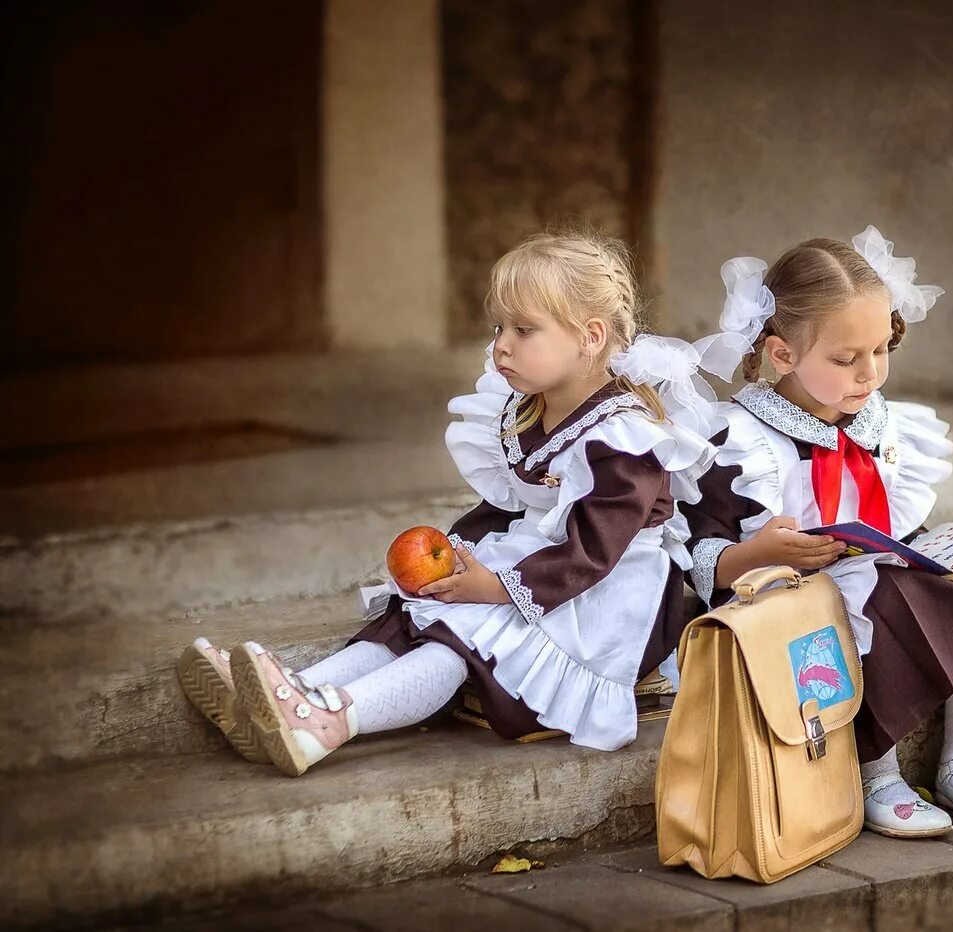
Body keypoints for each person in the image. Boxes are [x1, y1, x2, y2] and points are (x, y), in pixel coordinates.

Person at [177, 229, 716, 776]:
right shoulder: (528, 408)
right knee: (413, 615)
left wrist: (502, 586)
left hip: (605, 596)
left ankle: (334, 721)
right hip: (542, 562)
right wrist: (458, 553)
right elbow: (508, 506)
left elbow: (595, 551)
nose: (502, 344)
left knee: (460, 644)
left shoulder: (624, 436)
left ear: (590, 337)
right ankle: (300, 692)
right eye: (500, 326)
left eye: (524, 330)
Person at [682, 226, 953, 837]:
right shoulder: (743, 443)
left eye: (881, 351)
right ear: (782, 355)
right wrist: (759, 551)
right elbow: (698, 553)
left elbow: (899, 525)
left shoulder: (885, 425)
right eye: (846, 359)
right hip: (786, 593)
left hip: (873, 569)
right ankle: (877, 774)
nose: (869, 374)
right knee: (879, 600)